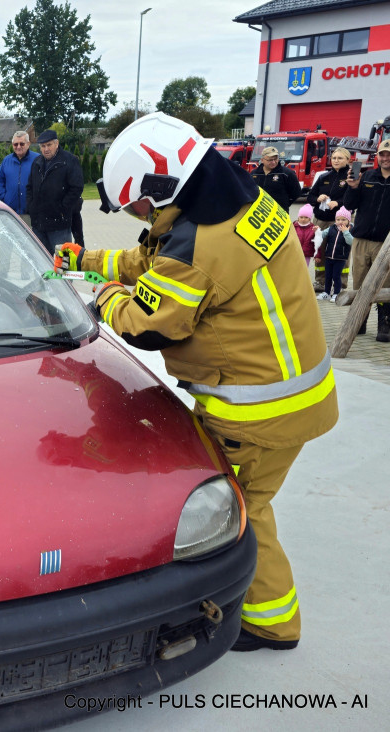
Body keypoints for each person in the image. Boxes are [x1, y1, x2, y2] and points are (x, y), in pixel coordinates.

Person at [56, 112, 337, 653]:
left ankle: (270, 623)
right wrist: (88, 259)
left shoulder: (202, 248)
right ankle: (268, 613)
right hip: (294, 391)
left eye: (138, 204)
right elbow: (152, 257)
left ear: (161, 187)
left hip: (258, 412)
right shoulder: (232, 199)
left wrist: (99, 297)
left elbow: (147, 323)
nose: (138, 214)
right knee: (249, 504)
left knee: (239, 510)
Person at [345, 138, 390, 342]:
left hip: (386, 243)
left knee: (385, 284)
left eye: (389, 155)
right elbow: (349, 205)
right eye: (382, 154)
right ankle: (358, 322)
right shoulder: (367, 176)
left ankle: (385, 325)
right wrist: (353, 187)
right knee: (360, 282)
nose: (385, 158)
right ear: (377, 156)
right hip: (362, 240)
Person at [25, 129, 84, 250]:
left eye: (49, 145)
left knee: (62, 263)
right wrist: (32, 207)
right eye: (43, 146)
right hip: (39, 225)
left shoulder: (69, 161)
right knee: (41, 262)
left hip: (59, 225)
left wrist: (62, 208)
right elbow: (30, 187)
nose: (46, 149)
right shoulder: (37, 163)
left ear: (56, 144)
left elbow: (77, 187)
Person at [307, 147, 352, 292]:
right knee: (319, 250)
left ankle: (341, 284)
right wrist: (317, 198)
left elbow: (354, 199)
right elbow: (310, 197)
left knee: (341, 252)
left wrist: (338, 203)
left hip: (340, 222)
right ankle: (320, 282)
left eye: (340, 158)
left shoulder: (351, 178)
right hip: (320, 220)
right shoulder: (323, 177)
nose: (336, 160)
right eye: (334, 158)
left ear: (348, 160)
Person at [0, 130, 37, 222]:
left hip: (30, 213)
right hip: (10, 212)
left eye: (22, 144)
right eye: (15, 144)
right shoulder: (6, 161)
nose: (18, 147)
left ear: (28, 144)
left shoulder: (37, 160)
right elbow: (0, 181)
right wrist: (4, 197)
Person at [316, 207, 353, 302]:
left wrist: (346, 232)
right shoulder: (331, 228)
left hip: (340, 259)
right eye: (338, 219)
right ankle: (326, 293)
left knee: (336, 276)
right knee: (328, 275)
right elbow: (323, 234)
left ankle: (336, 293)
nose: (340, 222)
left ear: (348, 220)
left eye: (343, 220)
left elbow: (350, 242)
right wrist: (318, 231)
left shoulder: (349, 230)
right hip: (329, 257)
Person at [250, 146, 302, 212]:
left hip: (279, 214)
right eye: (270, 160)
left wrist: (283, 205)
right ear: (262, 160)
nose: (274, 162)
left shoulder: (287, 174)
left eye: (276, 159)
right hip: (259, 213)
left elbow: (296, 193)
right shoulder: (254, 174)